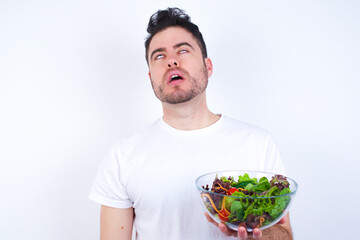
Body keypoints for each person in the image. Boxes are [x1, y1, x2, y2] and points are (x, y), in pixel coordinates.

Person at [89, 7, 293, 240]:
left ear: (208, 67)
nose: (171, 61)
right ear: (150, 78)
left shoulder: (258, 143)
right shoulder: (122, 156)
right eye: (159, 56)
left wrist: (259, 232)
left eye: (183, 50)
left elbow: (283, 234)